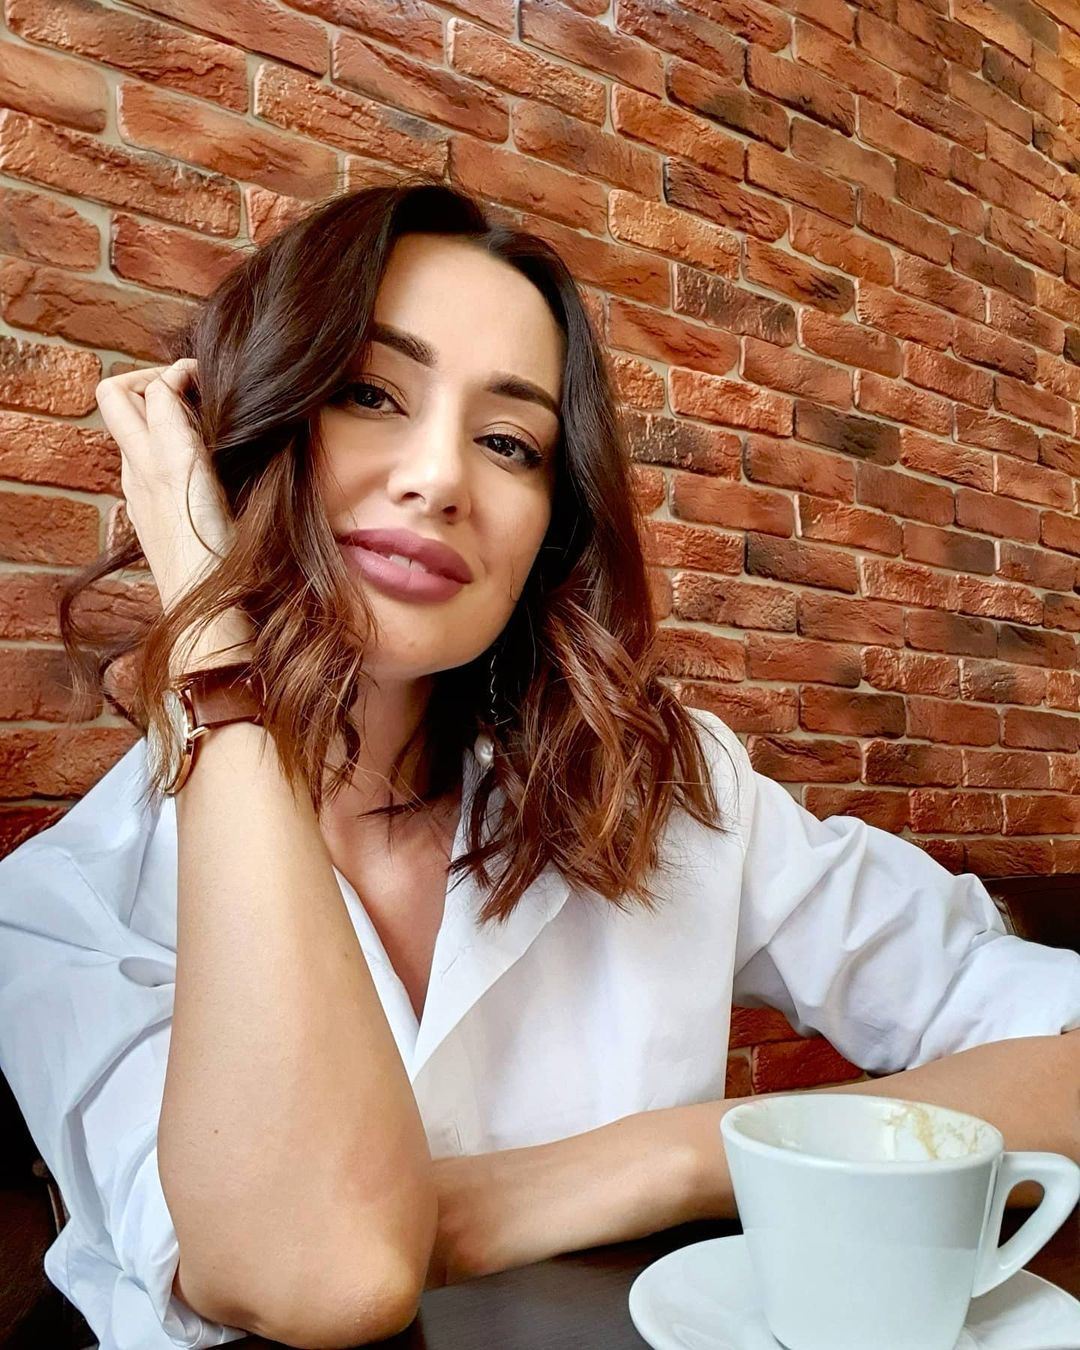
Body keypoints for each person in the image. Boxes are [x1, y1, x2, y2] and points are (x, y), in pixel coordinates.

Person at [0, 180, 1077, 1350]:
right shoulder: (67, 902)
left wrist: (671, 1157)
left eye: (509, 443)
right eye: (369, 393)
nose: (439, 479)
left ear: (548, 525)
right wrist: (217, 650)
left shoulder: (668, 792)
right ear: (247, 434)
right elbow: (328, 1272)